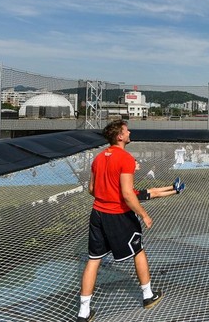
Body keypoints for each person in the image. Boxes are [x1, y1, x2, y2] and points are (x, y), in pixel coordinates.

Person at [77, 120, 162, 322]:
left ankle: (83, 312)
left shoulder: (98, 158)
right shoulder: (125, 158)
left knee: (93, 260)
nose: (129, 131)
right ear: (120, 136)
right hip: (118, 215)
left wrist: (106, 194)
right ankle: (148, 296)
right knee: (138, 250)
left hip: (97, 213)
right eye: (126, 130)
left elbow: (92, 189)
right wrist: (144, 214)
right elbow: (127, 194)